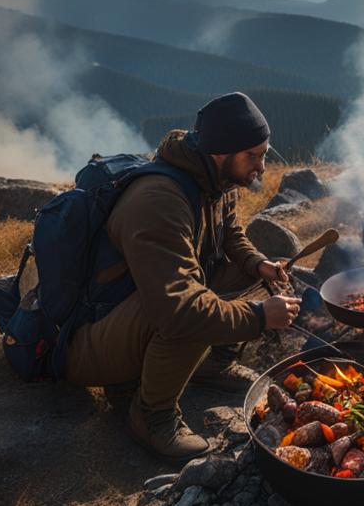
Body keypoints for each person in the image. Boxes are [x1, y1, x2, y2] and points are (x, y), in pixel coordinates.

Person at [63, 92, 301, 462]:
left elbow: (228, 234)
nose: (262, 167)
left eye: (264, 153)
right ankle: (151, 415)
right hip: (88, 343)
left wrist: (258, 265)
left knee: (241, 276)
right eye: (253, 156)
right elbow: (180, 310)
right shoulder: (160, 201)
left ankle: (210, 365)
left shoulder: (213, 179)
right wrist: (258, 317)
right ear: (222, 152)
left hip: (139, 310)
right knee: (194, 309)